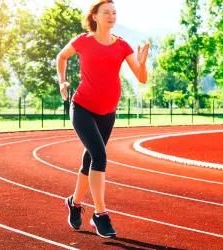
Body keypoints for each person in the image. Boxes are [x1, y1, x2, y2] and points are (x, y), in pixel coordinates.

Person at [56, 0, 149, 238]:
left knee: (90, 160)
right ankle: (100, 214)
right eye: (106, 12)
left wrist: (143, 63)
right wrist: (62, 81)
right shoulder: (83, 41)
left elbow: (141, 78)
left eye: (114, 13)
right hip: (82, 108)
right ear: (95, 17)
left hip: (108, 113)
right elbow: (61, 57)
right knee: (99, 156)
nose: (111, 16)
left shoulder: (122, 45)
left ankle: (74, 203)